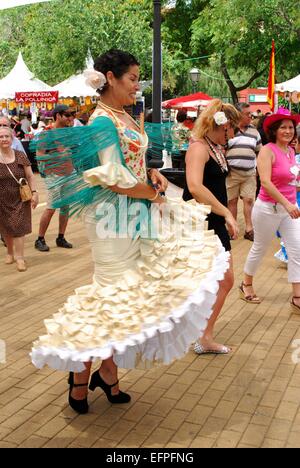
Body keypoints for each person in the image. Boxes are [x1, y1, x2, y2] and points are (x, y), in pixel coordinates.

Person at [31, 49, 230, 414]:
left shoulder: (125, 115)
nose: (138, 86)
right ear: (110, 78)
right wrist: (153, 192)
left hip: (137, 212)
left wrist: (151, 177)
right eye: (133, 78)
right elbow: (114, 178)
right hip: (113, 217)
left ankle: (106, 371)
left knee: (133, 297)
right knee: (111, 297)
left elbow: (133, 169)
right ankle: (81, 372)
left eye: (138, 78)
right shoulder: (102, 121)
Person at [183, 99, 240, 355]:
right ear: (223, 125)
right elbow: (194, 187)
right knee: (223, 280)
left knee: (220, 280)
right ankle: (202, 335)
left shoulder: (214, 147)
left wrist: (224, 213)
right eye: (233, 128)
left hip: (212, 218)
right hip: (203, 220)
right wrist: (226, 212)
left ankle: (201, 332)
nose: (234, 133)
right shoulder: (200, 148)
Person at [240, 108, 300, 310]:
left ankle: (297, 296)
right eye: (283, 127)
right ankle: (246, 284)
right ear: (274, 130)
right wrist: (287, 203)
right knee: (260, 247)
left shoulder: (291, 152)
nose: (288, 131)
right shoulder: (267, 151)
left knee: (297, 249)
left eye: (291, 127)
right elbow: (265, 182)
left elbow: (291, 180)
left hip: (289, 210)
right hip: (268, 208)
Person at [34, 105, 74, 252]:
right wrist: (58, 156)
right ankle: (40, 239)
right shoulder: (47, 134)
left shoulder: (68, 133)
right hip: (54, 176)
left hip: (69, 174)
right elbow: (39, 156)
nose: (71, 118)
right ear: (58, 116)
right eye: (68, 115)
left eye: (72, 114)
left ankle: (61, 237)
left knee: (65, 207)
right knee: (51, 208)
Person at [0, 126, 38, 271]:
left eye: (6, 136)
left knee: (18, 227)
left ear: (12, 138)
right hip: (2, 198)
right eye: (1, 137)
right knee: (6, 227)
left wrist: (34, 192)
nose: (4, 139)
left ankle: (20, 257)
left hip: (20, 197)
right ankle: (10, 252)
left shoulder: (20, 155)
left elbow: (30, 176)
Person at [226, 102, 262, 241]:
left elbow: (259, 151)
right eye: (248, 114)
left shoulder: (254, 131)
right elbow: (222, 148)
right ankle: (232, 229)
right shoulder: (229, 130)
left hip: (249, 174)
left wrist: (258, 168)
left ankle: (249, 229)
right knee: (232, 201)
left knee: (248, 200)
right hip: (231, 173)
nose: (251, 117)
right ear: (238, 114)